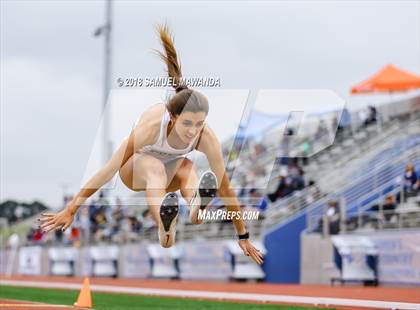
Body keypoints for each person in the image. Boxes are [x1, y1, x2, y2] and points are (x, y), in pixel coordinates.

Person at [39, 24, 263, 265]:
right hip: (135, 172)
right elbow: (108, 170)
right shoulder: (151, 127)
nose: (193, 131)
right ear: (172, 117)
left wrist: (243, 235)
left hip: (172, 173)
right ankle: (164, 230)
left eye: (199, 124)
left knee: (188, 167)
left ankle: (197, 209)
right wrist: (72, 208)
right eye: (187, 123)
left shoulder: (205, 136)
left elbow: (226, 189)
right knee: (154, 165)